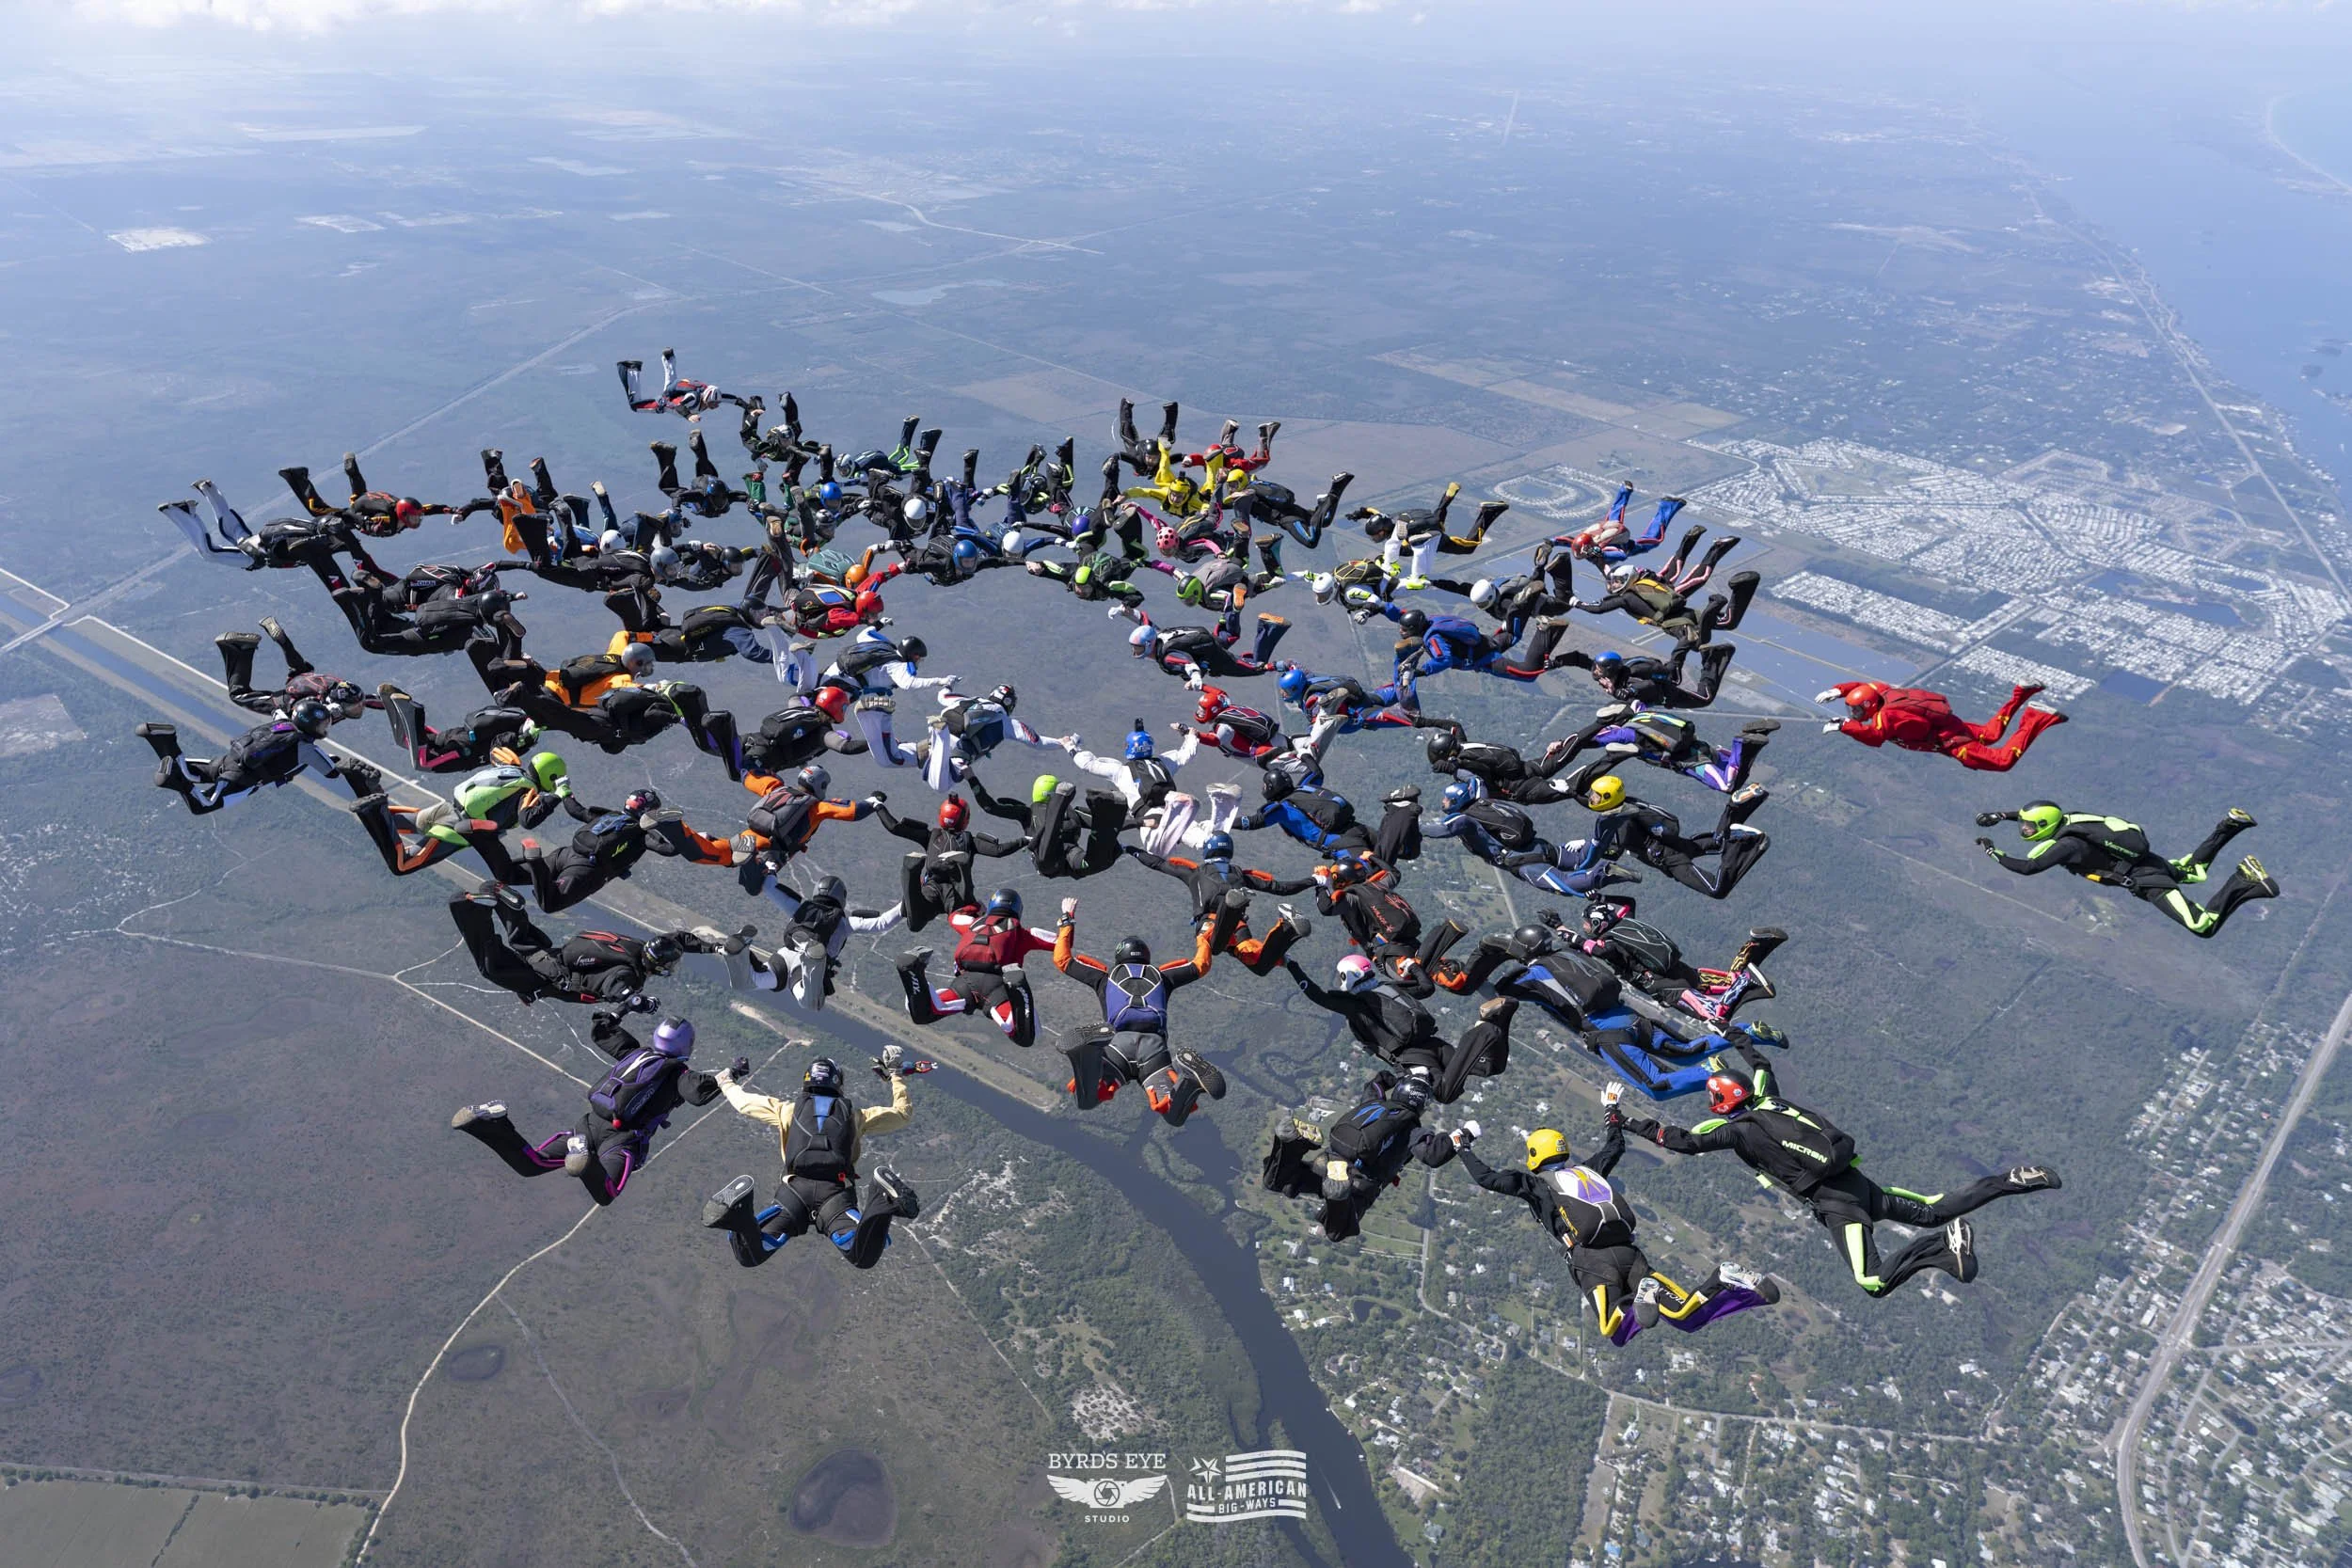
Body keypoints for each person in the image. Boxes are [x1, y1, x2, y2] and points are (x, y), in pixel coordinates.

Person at [1621, 1044, 2062, 1297]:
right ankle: (2011, 1181)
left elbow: (1685, 1142)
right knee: (1935, 1207)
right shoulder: (1772, 1102)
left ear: (1720, 1102)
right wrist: (1740, 1039)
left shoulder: (1738, 1132)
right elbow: (1762, 1069)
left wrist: (1627, 1122)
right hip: (1857, 1182)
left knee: (1871, 1280)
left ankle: (1945, 1248)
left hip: (1837, 1204)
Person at [1458, 1090, 1779, 1343]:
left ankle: (1638, 1296)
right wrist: (1611, 1112)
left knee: (1616, 1330)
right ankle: (1721, 1277)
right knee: (1686, 1317)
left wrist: (1463, 1147)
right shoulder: (1590, 1170)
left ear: (1533, 1156)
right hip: (1631, 1255)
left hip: (1591, 1261)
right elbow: (1615, 1146)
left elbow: (1487, 1178)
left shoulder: (1534, 1184)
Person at [452, 1013, 721, 1206]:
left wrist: (621, 1009)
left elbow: (602, 1032)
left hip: (588, 1124)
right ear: (686, 1045)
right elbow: (698, 1094)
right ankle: (584, 1158)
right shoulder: (679, 1074)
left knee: (532, 1163)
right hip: (621, 1139)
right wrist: (730, 1075)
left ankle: (488, 1122)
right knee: (607, 1193)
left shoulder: (635, 1054)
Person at [701, 1053, 920, 1271]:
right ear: (839, 1084)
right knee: (862, 1255)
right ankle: (882, 1200)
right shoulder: (855, 1116)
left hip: (794, 1191)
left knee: (751, 1253)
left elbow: (744, 1104)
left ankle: (739, 1215)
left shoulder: (787, 1111)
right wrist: (896, 1077)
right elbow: (902, 1114)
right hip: (835, 1193)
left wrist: (727, 1083)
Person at [1975, 802, 2278, 936]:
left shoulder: (2067, 846)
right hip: (2148, 863)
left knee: (2202, 926)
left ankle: (2243, 877)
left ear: (2044, 826)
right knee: (2194, 869)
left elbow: (2029, 867)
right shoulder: (2073, 820)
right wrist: (2003, 815)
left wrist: (1993, 851)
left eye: (2028, 827)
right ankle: (2229, 825)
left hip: (2147, 881)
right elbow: (2038, 815)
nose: (2024, 829)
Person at [1051, 898, 1229, 1122]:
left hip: (1117, 1045)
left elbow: (1062, 960)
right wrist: (1203, 937)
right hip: (1154, 1049)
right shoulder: (1163, 978)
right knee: (1173, 1114)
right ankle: (1190, 1083)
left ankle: (1088, 1052)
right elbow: (1200, 965)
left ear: (1118, 958)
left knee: (1087, 1099)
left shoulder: (1105, 979)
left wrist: (1066, 921)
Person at [444, 881, 739, 1008]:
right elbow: (618, 991)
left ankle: (493, 895)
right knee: (491, 966)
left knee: (522, 940)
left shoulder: (643, 946)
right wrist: (637, 1001)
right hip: (548, 975)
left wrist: (714, 948)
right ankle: (468, 906)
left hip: (554, 955)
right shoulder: (629, 977)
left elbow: (676, 939)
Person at [1284, 954, 1518, 1103]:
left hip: (1412, 1057)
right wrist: (1411, 967)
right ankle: (1497, 1020)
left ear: (1348, 976)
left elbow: (1316, 995)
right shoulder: (1388, 987)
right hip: (1435, 1043)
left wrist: (1291, 964)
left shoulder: (1355, 1005)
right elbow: (1426, 987)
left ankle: (1480, 1029)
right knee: (1489, 1067)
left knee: (1443, 1094)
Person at [1262, 1073, 1464, 1242]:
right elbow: (1433, 1155)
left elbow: (1375, 1083)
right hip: (1358, 1183)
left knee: (1279, 1182)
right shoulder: (1411, 1128)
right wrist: (1464, 1136)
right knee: (1337, 1231)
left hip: (1327, 1161)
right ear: (1422, 1105)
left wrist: (1395, 1077)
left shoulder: (1374, 1102)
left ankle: (1288, 1146)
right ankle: (1338, 1191)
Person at [347, 750, 572, 879]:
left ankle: (370, 793)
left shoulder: (511, 769)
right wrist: (556, 797)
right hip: (455, 831)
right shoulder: (527, 791)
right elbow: (528, 819)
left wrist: (526, 733)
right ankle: (376, 805)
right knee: (402, 865)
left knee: (393, 824)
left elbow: (497, 750)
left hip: (445, 808)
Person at [136, 703, 380, 816]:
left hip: (229, 759)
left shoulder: (283, 721)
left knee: (194, 773)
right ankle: (172, 778)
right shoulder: (307, 748)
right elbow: (331, 772)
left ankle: (166, 743)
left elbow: (279, 707)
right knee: (202, 806)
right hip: (244, 780)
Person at [1126, 832, 1315, 974]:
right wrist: (1314, 880)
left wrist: (1130, 849)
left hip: (1210, 922)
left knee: (1214, 947)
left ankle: (1231, 905)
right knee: (1259, 966)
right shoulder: (1241, 874)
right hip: (1239, 927)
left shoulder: (1195, 873)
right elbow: (1280, 888)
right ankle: (1286, 928)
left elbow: (1157, 864)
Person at [521, 787, 734, 913]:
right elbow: (668, 849)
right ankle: (535, 861)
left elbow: (577, 811)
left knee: (513, 874)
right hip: (590, 872)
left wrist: (564, 791)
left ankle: (502, 867)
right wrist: (695, 839)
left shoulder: (611, 816)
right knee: (550, 904)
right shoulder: (640, 834)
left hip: (567, 853)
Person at [894, 887, 1057, 1047]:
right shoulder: (1021, 933)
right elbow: (1060, 943)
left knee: (923, 1013)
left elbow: (954, 917)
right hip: (997, 987)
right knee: (1026, 1036)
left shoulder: (973, 924)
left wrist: (976, 908)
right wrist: (1068, 920)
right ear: (1018, 910)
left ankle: (913, 971)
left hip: (965, 982)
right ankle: (1019, 990)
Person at [1423, 780, 1636, 898]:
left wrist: (1412, 823)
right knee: (1581, 857)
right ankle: (1612, 830)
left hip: (1523, 861)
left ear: (1456, 801)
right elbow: (1476, 780)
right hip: (1538, 845)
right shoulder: (1483, 801)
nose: (1443, 802)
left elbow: (1440, 830)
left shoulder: (1464, 819)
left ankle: (1605, 872)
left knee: (1564, 884)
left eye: (1447, 799)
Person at [723, 875, 905, 1008]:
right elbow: (882, 923)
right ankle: (812, 959)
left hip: (784, 957)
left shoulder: (802, 907)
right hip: (803, 968)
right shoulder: (845, 922)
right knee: (811, 1003)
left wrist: (767, 865)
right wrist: (906, 905)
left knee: (746, 983)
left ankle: (739, 951)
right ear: (841, 897)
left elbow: (771, 888)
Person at [1588, 775, 1772, 900]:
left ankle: (1742, 840)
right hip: (1671, 845)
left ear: (1607, 798)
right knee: (1717, 843)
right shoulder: (1629, 805)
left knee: (1717, 889)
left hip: (1669, 859)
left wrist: (1588, 849)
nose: (1591, 798)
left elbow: (1612, 853)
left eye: (1596, 796)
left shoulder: (1615, 823)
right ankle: (1735, 806)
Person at [1820, 681, 2066, 772]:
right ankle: (2021, 694)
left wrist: (1845, 726)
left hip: (1953, 743)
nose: (1856, 714)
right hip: (1953, 727)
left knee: (2002, 762)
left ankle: (2035, 717)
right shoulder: (1883, 690)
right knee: (1991, 734)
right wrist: (1840, 690)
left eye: (1858, 710)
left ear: (1870, 705)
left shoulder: (1886, 718)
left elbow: (1874, 737)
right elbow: (1864, 686)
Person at [871, 792, 1027, 929]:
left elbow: (895, 827)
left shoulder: (930, 836)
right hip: (958, 893)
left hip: (932, 890)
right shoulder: (969, 841)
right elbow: (999, 850)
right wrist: (1025, 840)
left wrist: (878, 806)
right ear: (965, 819)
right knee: (976, 921)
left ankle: (911, 874)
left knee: (915, 923)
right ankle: (957, 869)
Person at [728, 763, 880, 902]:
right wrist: (874, 801)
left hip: (754, 834)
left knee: (751, 882)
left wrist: (744, 771)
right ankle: (757, 863)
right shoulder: (816, 807)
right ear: (819, 785)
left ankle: (748, 857)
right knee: (759, 887)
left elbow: (751, 779)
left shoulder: (778, 788)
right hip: (777, 849)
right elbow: (854, 811)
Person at [1551, 707, 1777, 795]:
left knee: (1727, 785)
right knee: (1737, 779)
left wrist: (1563, 743)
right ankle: (1754, 739)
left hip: (1691, 762)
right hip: (1701, 746)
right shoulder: (1641, 713)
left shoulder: (1623, 733)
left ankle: (1742, 742)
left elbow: (1587, 740)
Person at [967, 771, 1131, 880]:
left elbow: (989, 807)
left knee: (1097, 862)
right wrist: (971, 777)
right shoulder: (1027, 813)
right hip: (1047, 858)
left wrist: (1138, 821)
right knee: (1050, 838)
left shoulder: (1070, 813)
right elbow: (990, 807)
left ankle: (1111, 805)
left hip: (1069, 860)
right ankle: (1058, 802)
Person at [278, 451, 490, 535]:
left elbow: (429, 508)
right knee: (318, 510)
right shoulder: (386, 516)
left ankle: (351, 468)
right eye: (413, 517)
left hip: (369, 500)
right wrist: (366, 525)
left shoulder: (404, 510)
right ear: (402, 514)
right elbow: (352, 514)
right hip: (361, 508)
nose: (416, 520)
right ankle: (297, 477)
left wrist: (452, 510)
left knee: (358, 491)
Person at [216, 618, 374, 722]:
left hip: (306, 679)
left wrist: (386, 699)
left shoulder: (343, 693)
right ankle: (240, 648)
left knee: (299, 668)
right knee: (238, 695)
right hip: (288, 698)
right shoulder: (317, 704)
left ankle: (283, 641)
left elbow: (365, 699)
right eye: (354, 707)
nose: (358, 709)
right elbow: (299, 716)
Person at [377, 684, 540, 774]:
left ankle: (389, 701)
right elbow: (502, 742)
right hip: (464, 750)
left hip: (458, 734)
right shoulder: (521, 739)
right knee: (423, 763)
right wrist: (525, 737)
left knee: (405, 740)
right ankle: (415, 712)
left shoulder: (516, 716)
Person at [1125, 610, 1291, 685]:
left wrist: (1196, 678)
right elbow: (1145, 620)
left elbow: (1188, 664)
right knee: (1230, 635)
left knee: (1254, 667)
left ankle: (1272, 639)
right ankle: (1231, 608)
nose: (1135, 652)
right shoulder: (1159, 635)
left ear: (1148, 645)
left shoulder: (1167, 657)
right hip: (1207, 641)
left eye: (1138, 648)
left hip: (1211, 656)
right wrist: (1126, 612)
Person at [1557, 644, 1738, 710]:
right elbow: (1581, 660)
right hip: (1658, 681)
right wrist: (1557, 662)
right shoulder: (1609, 674)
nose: (1595, 671)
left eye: (1599, 668)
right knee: (1672, 670)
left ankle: (1717, 656)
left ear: (1609, 670)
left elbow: (1649, 686)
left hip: (1667, 692)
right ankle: (1689, 642)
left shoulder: (1627, 681)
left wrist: (1620, 693)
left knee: (1705, 698)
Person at [618, 348, 749, 418]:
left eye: (717, 403)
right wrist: (689, 417)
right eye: (714, 403)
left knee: (671, 384)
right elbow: (679, 406)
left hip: (676, 387)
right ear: (706, 399)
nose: (716, 406)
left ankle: (669, 357)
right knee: (635, 406)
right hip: (669, 401)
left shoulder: (712, 395)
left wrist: (750, 408)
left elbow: (734, 400)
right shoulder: (693, 399)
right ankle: (631, 369)